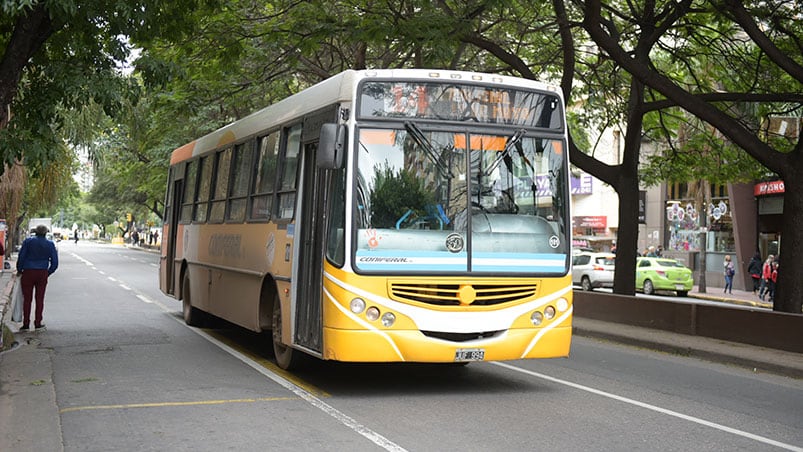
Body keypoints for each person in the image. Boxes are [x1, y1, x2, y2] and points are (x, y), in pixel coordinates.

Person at [16, 224, 58, 331]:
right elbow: (55, 262)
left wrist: (20, 269)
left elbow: (21, 256)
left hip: (28, 272)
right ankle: (38, 323)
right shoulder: (50, 244)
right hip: (42, 272)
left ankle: (26, 324)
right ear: (46, 233)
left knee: (27, 299)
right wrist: (48, 272)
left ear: (35, 232)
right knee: (40, 299)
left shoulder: (28, 242)